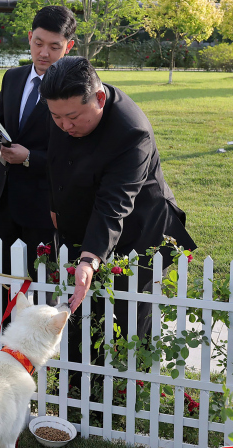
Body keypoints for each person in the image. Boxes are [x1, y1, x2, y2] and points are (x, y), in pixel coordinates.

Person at [39, 56, 197, 371]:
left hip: (139, 234)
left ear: (99, 99)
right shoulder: (63, 108)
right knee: (83, 316)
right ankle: (84, 390)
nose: (65, 126)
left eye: (72, 117)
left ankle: (134, 389)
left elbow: (115, 202)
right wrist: (56, 206)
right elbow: (56, 161)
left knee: (131, 321)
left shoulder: (131, 131)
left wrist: (89, 258)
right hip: (88, 228)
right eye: (56, 118)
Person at [0, 6, 76, 348]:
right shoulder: (12, 77)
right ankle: (0, 349)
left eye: (54, 46)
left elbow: (75, 152)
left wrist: (30, 159)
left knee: (41, 291)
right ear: (30, 38)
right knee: (3, 285)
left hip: (46, 205)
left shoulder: (74, 85)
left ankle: (39, 358)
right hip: (5, 201)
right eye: (38, 42)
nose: (43, 52)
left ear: (68, 46)